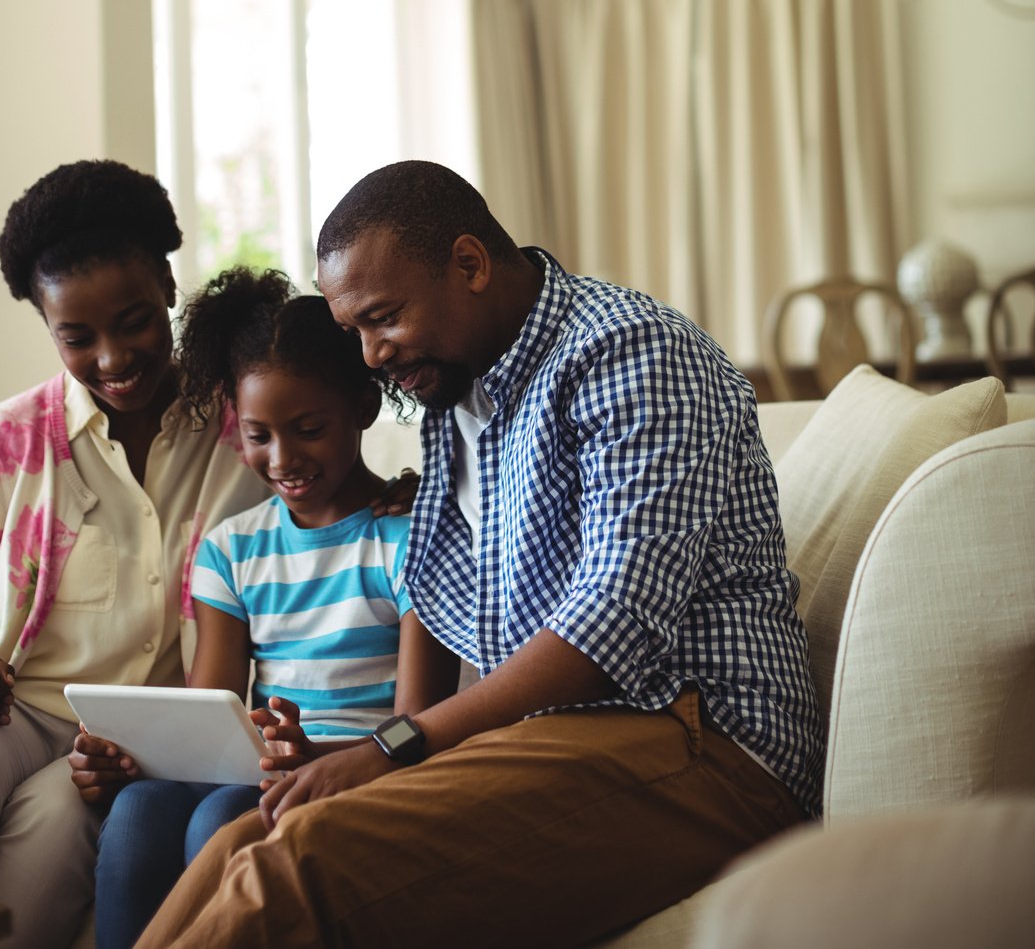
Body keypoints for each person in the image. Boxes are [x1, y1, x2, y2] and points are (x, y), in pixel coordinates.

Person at [134, 160, 825, 949]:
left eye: (381, 318)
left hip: (706, 744)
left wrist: (394, 747)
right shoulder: (459, 394)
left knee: (296, 864)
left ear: (468, 264)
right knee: (240, 844)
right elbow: (448, 612)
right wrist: (355, 751)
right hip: (562, 738)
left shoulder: (626, 351)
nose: (368, 355)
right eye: (354, 329)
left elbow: (613, 625)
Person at [0, 160, 408, 949]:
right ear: (46, 326)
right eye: (76, 337)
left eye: (132, 321)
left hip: (130, 746)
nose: (113, 358)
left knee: (50, 859)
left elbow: (319, 436)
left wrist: (399, 493)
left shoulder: (244, 428)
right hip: (0, 712)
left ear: (167, 285)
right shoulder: (0, 443)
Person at [89, 265, 455, 949]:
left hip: (367, 764)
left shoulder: (409, 540)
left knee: (219, 821)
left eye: (309, 428)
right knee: (139, 810)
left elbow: (420, 727)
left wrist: (320, 754)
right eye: (258, 435)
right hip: (268, 767)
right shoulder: (231, 551)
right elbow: (208, 720)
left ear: (362, 408)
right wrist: (126, 758)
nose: (283, 457)